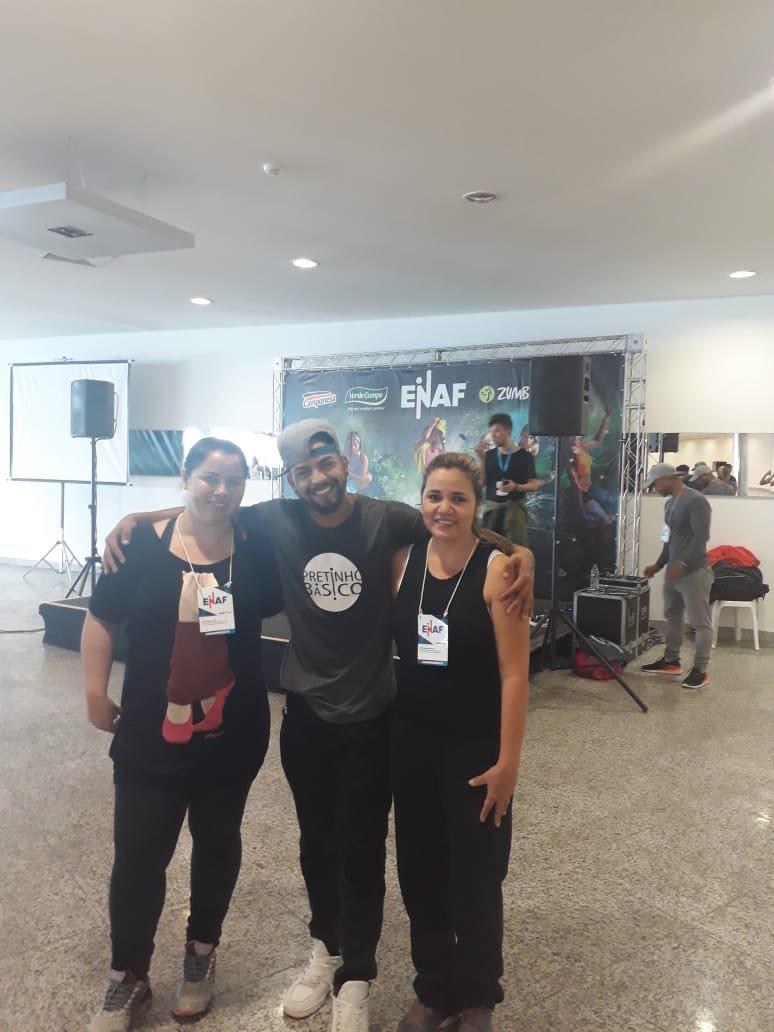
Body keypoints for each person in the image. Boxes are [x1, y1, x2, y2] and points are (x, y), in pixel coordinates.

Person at [103, 418, 535, 1032]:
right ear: (290, 478)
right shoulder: (275, 518)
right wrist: (139, 516)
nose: (317, 477)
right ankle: (326, 952)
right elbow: (211, 506)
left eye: (326, 463)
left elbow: (463, 523)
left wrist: (522, 554)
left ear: (345, 463)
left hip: (374, 720)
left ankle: (358, 975)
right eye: (302, 470)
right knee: (319, 847)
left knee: (366, 850)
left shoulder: (386, 519)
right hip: (307, 718)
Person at [84, 438, 283, 1030]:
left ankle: (201, 954)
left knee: (217, 844)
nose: (221, 490)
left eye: (234, 480)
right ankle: (128, 976)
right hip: (149, 734)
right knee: (138, 855)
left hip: (232, 733)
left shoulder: (257, 546)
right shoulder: (139, 545)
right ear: (185, 476)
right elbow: (100, 618)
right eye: (209, 478)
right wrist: (95, 691)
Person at [391, 453, 529, 1032]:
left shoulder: (497, 571)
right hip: (412, 747)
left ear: (476, 506)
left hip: (474, 750)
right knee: (420, 874)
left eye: (458, 498)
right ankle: (434, 990)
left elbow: (514, 675)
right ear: (421, 501)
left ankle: (477, 998)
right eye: (434, 496)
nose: (444, 508)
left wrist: (508, 764)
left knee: (475, 877)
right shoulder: (402, 562)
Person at [641, 462, 713, 689]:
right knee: (672, 617)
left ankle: (700, 670)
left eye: (655, 484)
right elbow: (668, 538)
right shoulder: (669, 504)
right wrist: (658, 564)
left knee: (700, 623)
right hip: (673, 573)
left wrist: (682, 563)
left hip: (694, 572)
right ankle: (672, 661)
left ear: (667, 479)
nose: (654, 489)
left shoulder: (696, 500)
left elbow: (701, 537)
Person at [476, 413, 551, 547]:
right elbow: (481, 483)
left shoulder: (525, 456)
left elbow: (533, 485)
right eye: (491, 432)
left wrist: (516, 487)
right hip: (491, 513)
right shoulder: (489, 455)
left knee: (516, 550)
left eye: (497, 431)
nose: (493, 436)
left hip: (514, 513)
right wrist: (481, 459)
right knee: (488, 550)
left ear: (508, 431)